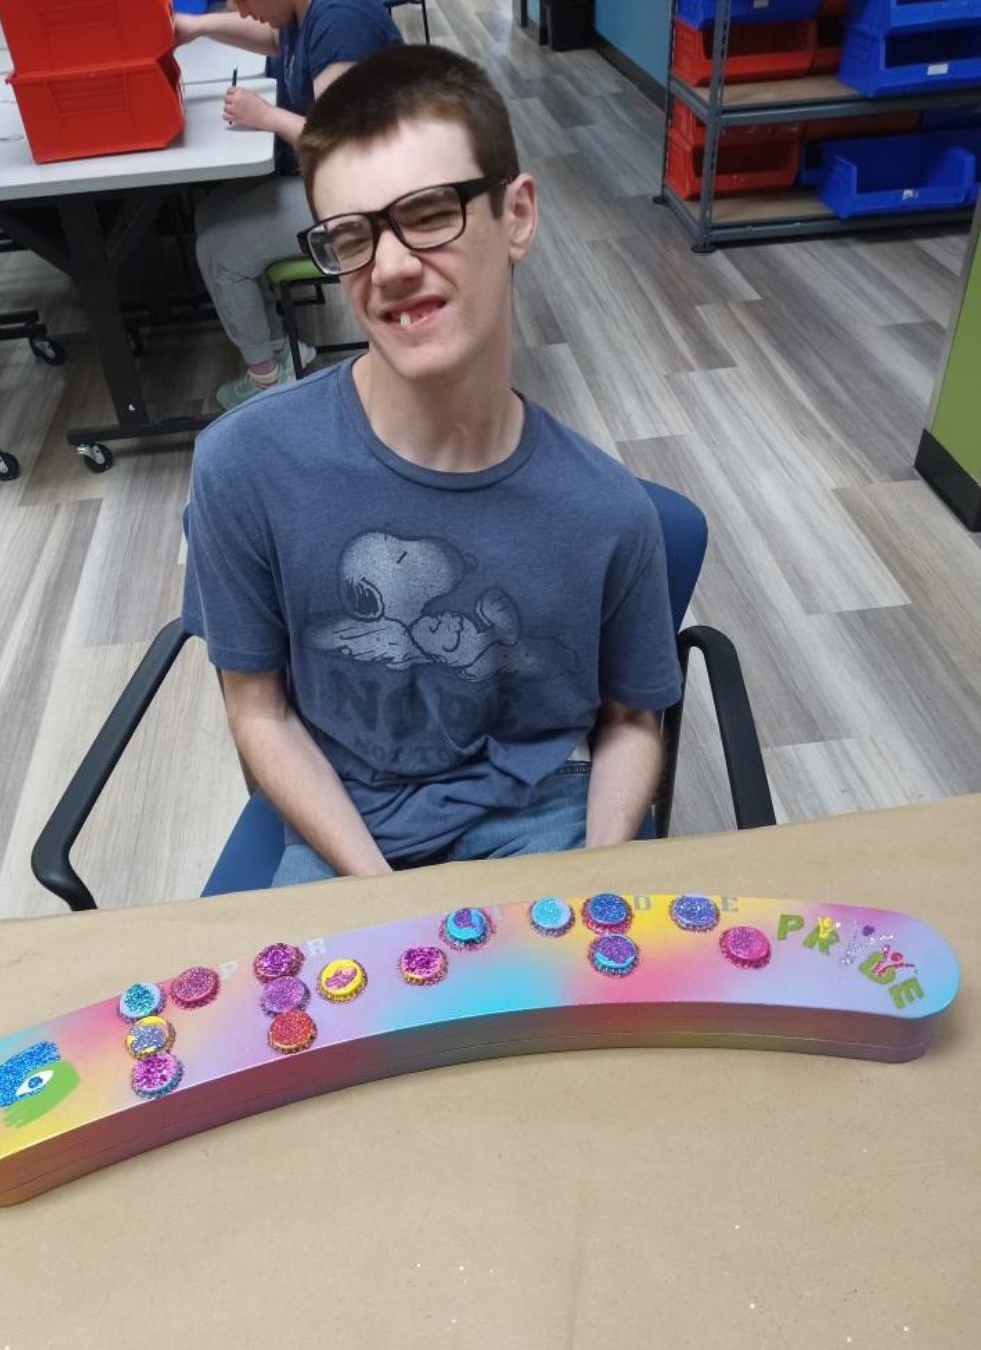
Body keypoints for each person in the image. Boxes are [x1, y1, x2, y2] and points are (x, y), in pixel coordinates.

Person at [183, 44, 683, 888]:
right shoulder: (245, 466)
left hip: (539, 815)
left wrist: (599, 880)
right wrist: (378, 893)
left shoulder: (606, 511)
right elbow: (257, 709)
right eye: (351, 236)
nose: (390, 266)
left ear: (516, 215)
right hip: (344, 825)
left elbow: (633, 720)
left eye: (427, 213)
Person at [175, 0, 401, 409]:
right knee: (209, 212)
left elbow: (341, 145)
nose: (240, 10)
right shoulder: (303, 11)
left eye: (243, 0)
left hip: (371, 199)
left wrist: (266, 116)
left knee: (218, 249)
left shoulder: (340, 21)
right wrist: (196, 26)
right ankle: (279, 348)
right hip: (332, 181)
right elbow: (271, 36)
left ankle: (267, 385)